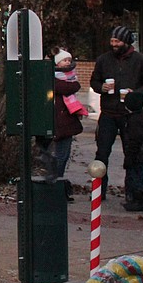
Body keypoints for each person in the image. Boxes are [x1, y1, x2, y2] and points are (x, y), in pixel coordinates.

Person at [90, 26, 143, 211]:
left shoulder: (140, 60)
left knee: (133, 155)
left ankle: (134, 194)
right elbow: (94, 81)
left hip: (130, 114)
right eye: (112, 41)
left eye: (117, 42)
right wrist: (100, 87)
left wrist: (136, 94)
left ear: (126, 42)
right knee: (102, 153)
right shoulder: (104, 60)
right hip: (109, 114)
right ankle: (98, 190)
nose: (114, 45)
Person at [39, 48, 85, 198]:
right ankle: (54, 187)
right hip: (58, 123)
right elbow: (68, 87)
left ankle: (57, 185)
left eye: (69, 60)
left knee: (62, 156)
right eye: (64, 60)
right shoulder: (53, 78)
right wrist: (76, 85)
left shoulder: (69, 77)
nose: (68, 63)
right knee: (57, 157)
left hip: (65, 123)